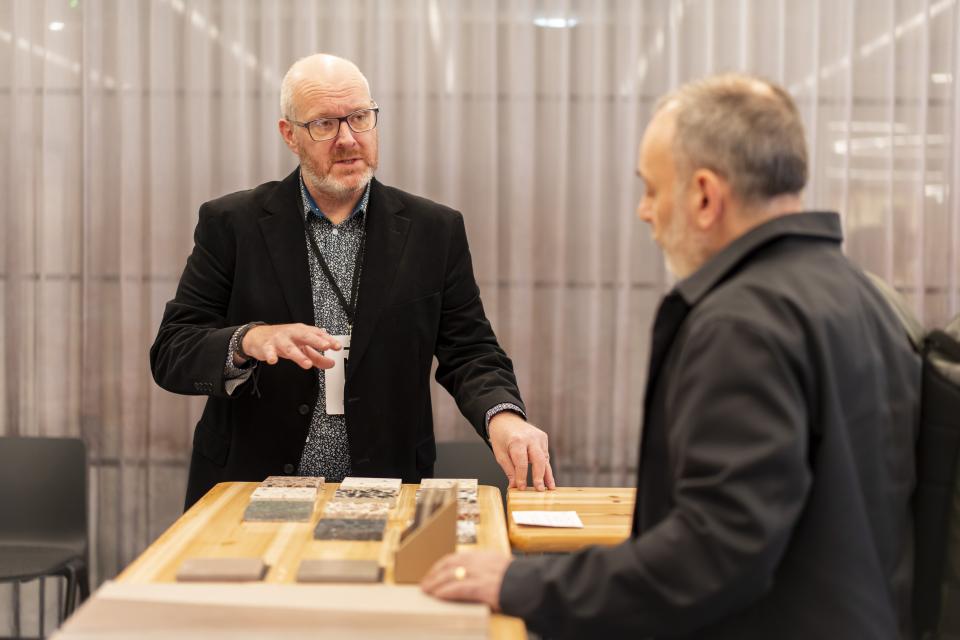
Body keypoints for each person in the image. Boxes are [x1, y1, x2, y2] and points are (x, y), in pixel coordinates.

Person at [422, 74, 920, 639]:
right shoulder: (867, 296)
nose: (644, 212)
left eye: (653, 190)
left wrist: (520, 584)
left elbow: (712, 553)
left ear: (705, 196)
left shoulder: (743, 324)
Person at [150, 54, 554, 509]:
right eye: (324, 124)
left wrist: (503, 415)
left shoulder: (432, 230)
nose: (347, 139)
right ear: (290, 135)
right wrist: (249, 339)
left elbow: (471, 351)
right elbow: (172, 351)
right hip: (251, 485)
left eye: (359, 118)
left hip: (384, 487)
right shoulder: (232, 224)